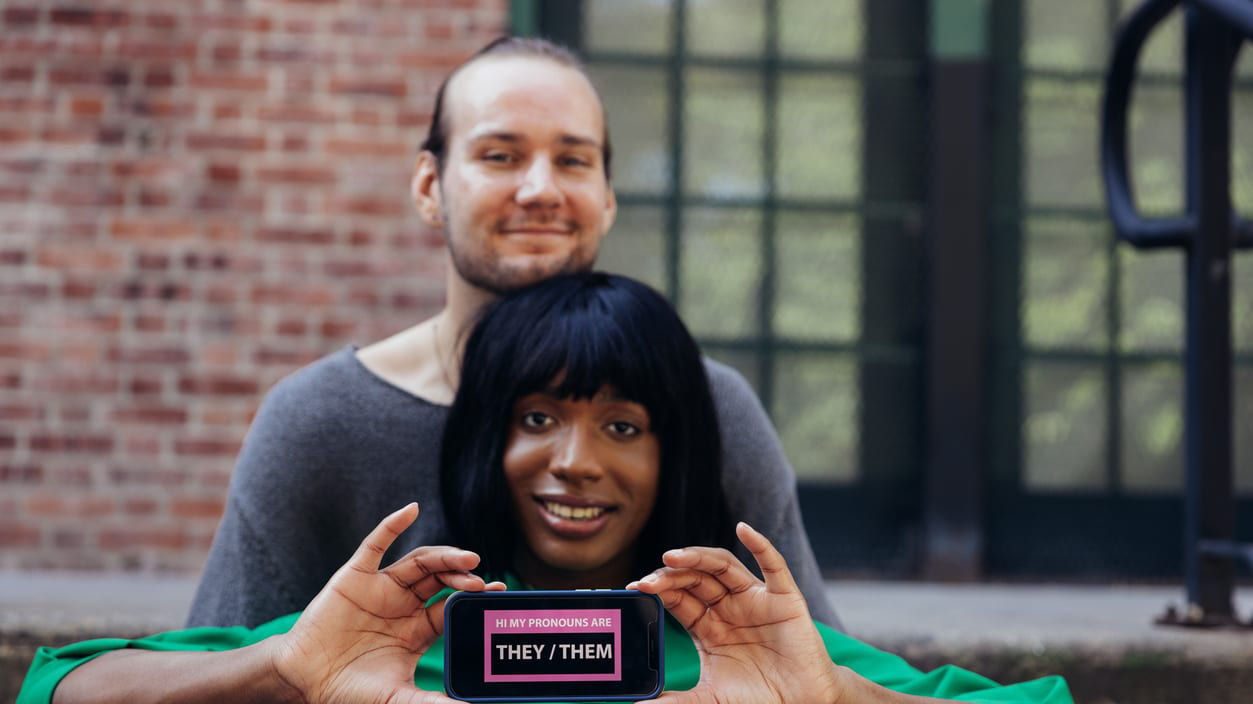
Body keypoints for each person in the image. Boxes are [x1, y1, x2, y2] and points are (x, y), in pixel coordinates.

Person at [20, 273, 1072, 704]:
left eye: (622, 424)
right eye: (536, 418)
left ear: (676, 457)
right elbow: (58, 684)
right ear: (486, 439)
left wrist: (835, 696)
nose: (574, 458)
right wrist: (280, 669)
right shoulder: (390, 631)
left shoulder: (752, 653)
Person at [187, 36, 840, 630]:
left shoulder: (709, 405)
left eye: (572, 160)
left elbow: (819, 668)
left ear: (607, 196)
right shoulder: (320, 420)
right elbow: (215, 673)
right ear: (428, 185)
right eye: (500, 155)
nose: (539, 189)